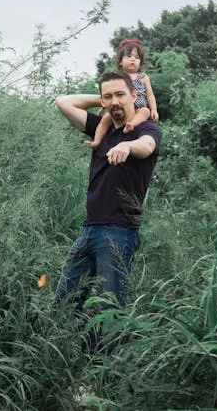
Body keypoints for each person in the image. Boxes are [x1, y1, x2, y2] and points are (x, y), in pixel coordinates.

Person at [54, 70, 162, 354]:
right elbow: (63, 101)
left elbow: (147, 147)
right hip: (88, 230)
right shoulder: (101, 129)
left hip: (119, 232)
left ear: (134, 97)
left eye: (121, 95)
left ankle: (100, 379)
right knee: (65, 300)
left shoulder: (145, 129)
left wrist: (127, 145)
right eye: (108, 96)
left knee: (109, 309)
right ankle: (79, 359)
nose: (115, 102)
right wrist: (104, 101)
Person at [84, 39, 159, 149]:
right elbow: (110, 95)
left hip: (139, 107)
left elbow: (150, 95)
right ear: (120, 61)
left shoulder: (143, 77)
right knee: (104, 120)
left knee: (145, 112)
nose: (133, 59)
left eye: (137, 57)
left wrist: (154, 109)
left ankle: (131, 124)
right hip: (119, 107)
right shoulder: (118, 77)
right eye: (129, 56)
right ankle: (96, 141)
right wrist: (104, 107)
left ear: (140, 62)